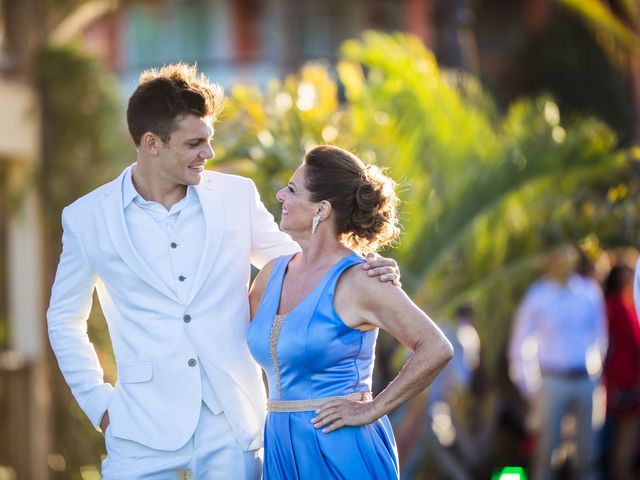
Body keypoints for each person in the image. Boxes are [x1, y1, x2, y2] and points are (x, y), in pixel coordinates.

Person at [46, 64, 399, 479]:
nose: (209, 154)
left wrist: (360, 264)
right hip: (139, 428)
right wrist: (100, 405)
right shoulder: (87, 218)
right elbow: (63, 319)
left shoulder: (235, 196)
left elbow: (300, 261)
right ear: (151, 143)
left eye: (209, 140)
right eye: (195, 143)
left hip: (233, 424)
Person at [247, 145, 454, 478]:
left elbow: (436, 348)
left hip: (340, 446)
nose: (280, 194)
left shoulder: (362, 279)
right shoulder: (271, 274)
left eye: (293, 189)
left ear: (322, 210)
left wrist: (373, 409)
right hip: (280, 447)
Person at [508, 246, 608, 480]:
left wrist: (596, 373)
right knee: (546, 453)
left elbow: (600, 335)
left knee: (588, 453)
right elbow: (521, 342)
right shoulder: (539, 295)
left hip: (585, 379)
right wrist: (528, 385)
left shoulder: (588, 292)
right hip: (552, 381)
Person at [603, 264, 640, 480]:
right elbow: (634, 342)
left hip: (619, 380)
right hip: (625, 381)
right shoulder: (620, 307)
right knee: (623, 441)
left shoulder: (616, 305)